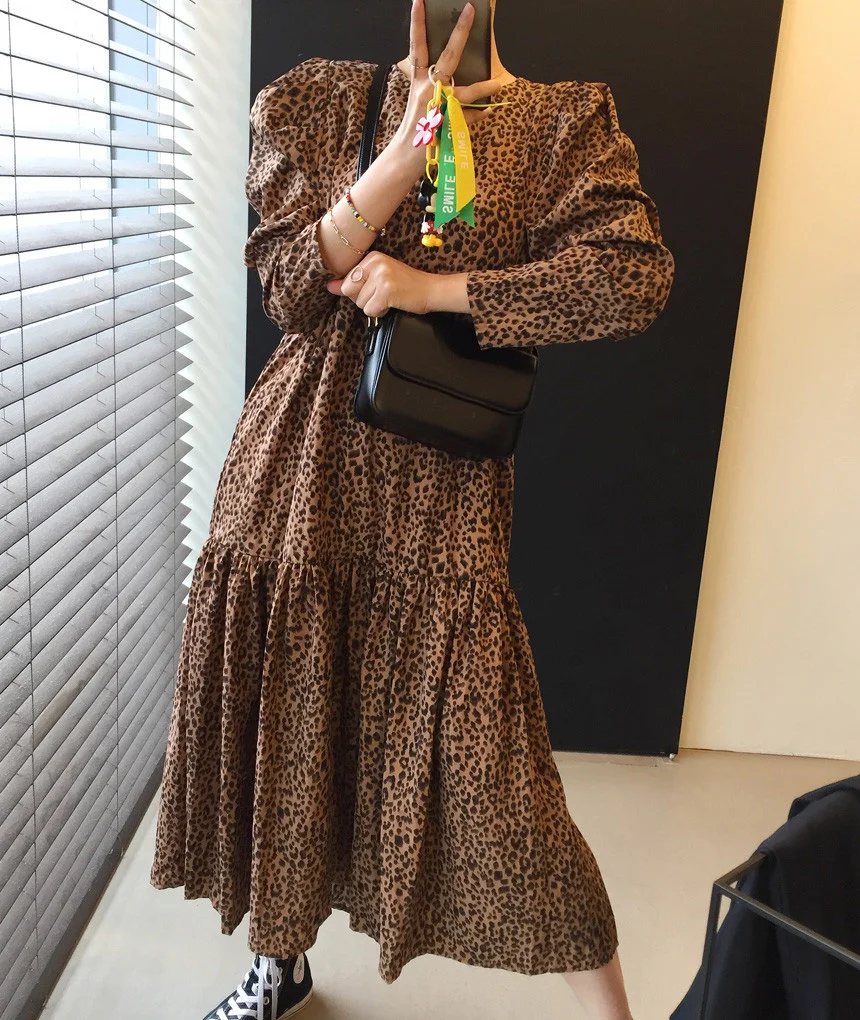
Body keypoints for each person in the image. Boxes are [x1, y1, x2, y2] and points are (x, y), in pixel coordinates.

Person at [148, 1, 675, 1018]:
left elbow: (628, 279)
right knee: (291, 732)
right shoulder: (322, 100)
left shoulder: (564, 124)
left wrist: (434, 290)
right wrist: (395, 163)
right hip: (296, 479)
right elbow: (287, 290)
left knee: (504, 791)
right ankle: (278, 967)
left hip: (442, 501)